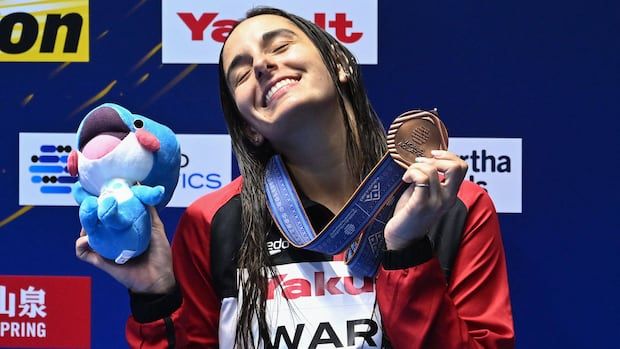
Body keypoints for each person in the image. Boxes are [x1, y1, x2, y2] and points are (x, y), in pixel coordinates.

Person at [75, 7, 515, 349]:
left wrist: (407, 252)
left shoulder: (451, 204)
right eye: (242, 73)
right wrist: (156, 298)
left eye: (279, 47)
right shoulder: (211, 222)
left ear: (340, 62)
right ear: (249, 125)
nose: (263, 65)